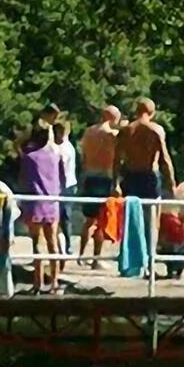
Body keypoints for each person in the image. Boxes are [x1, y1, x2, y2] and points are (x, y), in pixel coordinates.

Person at [13, 126, 69, 294]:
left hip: (35, 203)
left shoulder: (28, 158)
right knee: (52, 243)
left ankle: (37, 283)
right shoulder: (55, 156)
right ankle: (55, 282)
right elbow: (62, 179)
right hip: (52, 202)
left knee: (37, 244)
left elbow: (23, 180)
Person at [76, 105, 123, 266]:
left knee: (88, 220)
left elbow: (83, 156)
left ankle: (81, 255)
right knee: (102, 220)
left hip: (89, 175)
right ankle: (96, 259)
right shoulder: (111, 135)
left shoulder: (89, 132)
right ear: (112, 117)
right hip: (104, 177)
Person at [115, 98, 176, 202]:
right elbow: (165, 159)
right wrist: (171, 184)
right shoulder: (156, 130)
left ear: (136, 111)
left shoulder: (125, 131)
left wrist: (115, 184)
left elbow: (117, 159)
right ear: (152, 113)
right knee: (151, 209)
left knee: (131, 208)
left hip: (130, 176)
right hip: (150, 176)